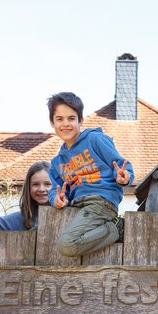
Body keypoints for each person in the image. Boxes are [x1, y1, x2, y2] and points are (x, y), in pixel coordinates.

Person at [47, 92, 134, 257]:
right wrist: (56, 199)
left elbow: (123, 166)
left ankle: (117, 228)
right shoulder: (57, 162)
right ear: (52, 123)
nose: (65, 124)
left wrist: (124, 177)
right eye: (59, 119)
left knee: (67, 245)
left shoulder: (95, 140)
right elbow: (55, 190)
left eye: (71, 118)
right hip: (79, 206)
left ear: (80, 121)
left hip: (101, 201)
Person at [0, 161, 52, 231]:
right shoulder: (20, 220)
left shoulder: (66, 215)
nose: (41, 189)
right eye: (36, 184)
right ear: (28, 187)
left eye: (47, 184)